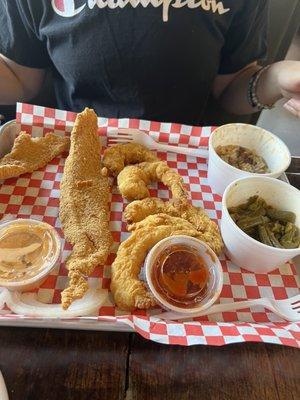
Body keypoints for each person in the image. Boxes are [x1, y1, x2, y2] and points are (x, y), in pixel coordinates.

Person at [0, 0, 299, 125]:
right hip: (77, 147)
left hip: (185, 159)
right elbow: (20, 77)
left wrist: (278, 79)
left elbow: (232, 87)